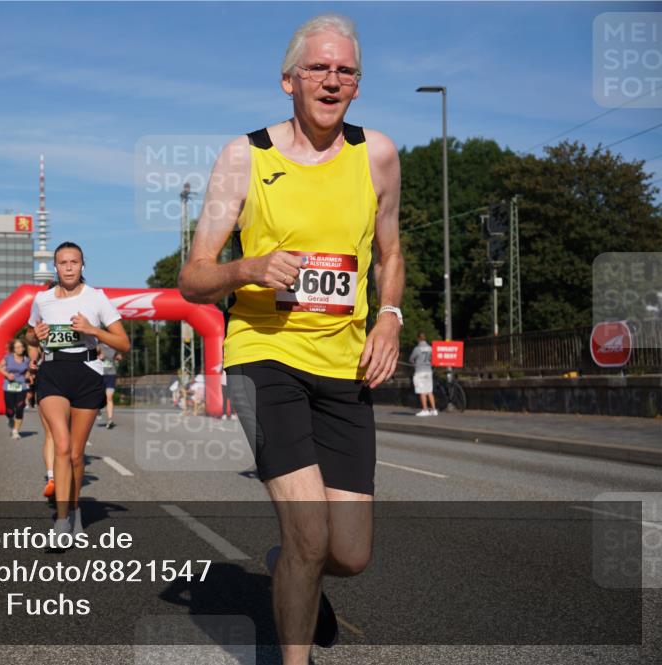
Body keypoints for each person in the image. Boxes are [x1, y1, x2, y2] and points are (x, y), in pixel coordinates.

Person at [177, 13, 404, 663]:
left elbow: (390, 252)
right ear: (289, 80)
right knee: (309, 531)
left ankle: (288, 566)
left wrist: (389, 316)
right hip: (264, 354)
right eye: (318, 68)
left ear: (357, 84)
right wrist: (247, 268)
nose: (332, 81)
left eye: (346, 71)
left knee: (349, 553)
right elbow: (193, 277)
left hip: (345, 363)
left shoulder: (378, 155)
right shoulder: (245, 156)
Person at [27, 242, 130, 538]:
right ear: (55, 267)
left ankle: (75, 511)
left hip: (86, 374)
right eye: (63, 262)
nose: (69, 267)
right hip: (52, 372)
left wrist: (92, 330)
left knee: (75, 454)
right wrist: (35, 335)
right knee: (61, 446)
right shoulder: (42, 299)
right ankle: (61, 523)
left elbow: (124, 343)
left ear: (83, 265)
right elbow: (30, 337)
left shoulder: (96, 298)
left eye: (74, 262)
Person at [0, 338, 31, 439]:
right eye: (17, 347)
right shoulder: (8, 358)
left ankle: (16, 431)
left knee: (20, 408)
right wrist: (7, 375)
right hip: (9, 386)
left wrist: (28, 375)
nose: (19, 349)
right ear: (13, 349)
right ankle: (10, 418)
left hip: (21, 386)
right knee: (10, 410)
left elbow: (28, 371)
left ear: (24, 348)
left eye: (21, 347)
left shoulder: (27, 359)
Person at [410, 332, 438, 416]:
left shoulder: (417, 349)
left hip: (420, 371)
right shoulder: (430, 348)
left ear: (418, 338)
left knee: (422, 391)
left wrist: (415, 364)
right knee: (429, 391)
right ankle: (434, 410)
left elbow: (411, 359)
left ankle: (425, 410)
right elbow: (433, 359)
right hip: (428, 371)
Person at [98, 343, 121, 429]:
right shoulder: (98, 346)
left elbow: (119, 356)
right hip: (100, 375)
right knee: (99, 396)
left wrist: (118, 357)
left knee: (109, 397)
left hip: (111, 375)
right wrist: (98, 357)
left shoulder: (114, 346)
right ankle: (98, 409)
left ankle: (110, 420)